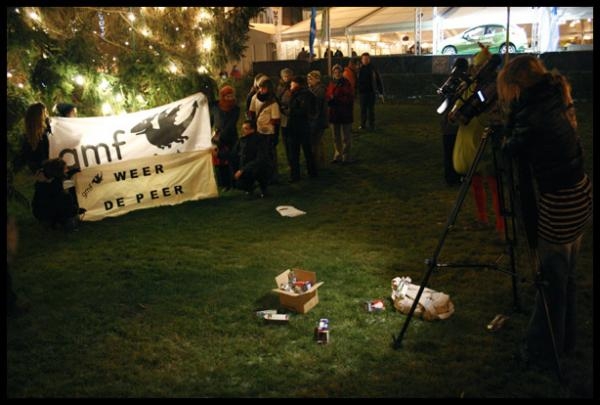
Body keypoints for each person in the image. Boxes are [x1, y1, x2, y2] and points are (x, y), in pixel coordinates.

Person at [497, 55, 593, 369]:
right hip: (579, 192)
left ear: (518, 84)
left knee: (550, 280)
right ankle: (565, 340)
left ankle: (541, 350)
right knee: (566, 276)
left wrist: (506, 126)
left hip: (559, 202)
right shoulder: (555, 94)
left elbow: (511, 148)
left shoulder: (533, 112)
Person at [449, 45, 504, 239]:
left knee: (494, 184)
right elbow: (461, 106)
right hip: (470, 140)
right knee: (476, 181)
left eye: (479, 66)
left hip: (487, 141)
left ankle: (501, 223)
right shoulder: (472, 85)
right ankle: (482, 217)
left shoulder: (496, 87)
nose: (475, 70)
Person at [32, 157, 81, 232]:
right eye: (65, 168)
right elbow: (70, 202)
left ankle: (50, 223)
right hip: (56, 214)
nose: (67, 170)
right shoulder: (64, 183)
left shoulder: (41, 183)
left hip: (43, 215)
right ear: (59, 172)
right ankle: (60, 223)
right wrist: (75, 210)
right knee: (67, 202)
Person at [248, 77, 281, 183]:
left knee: (270, 155)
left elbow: (276, 120)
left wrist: (272, 130)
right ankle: (262, 175)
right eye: (260, 88)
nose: (261, 90)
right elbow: (251, 113)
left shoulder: (273, 102)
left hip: (269, 133)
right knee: (259, 155)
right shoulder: (255, 98)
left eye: (264, 88)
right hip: (258, 131)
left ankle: (272, 176)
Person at [287, 75, 317, 182]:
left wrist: (291, 111)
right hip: (296, 126)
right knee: (297, 152)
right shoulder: (296, 94)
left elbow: (305, 110)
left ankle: (309, 172)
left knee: (304, 151)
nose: (290, 85)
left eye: (292, 83)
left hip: (301, 126)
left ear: (297, 84)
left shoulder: (305, 95)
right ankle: (297, 174)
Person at [210, 85, 240, 192]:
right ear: (222, 96)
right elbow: (211, 121)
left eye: (231, 96)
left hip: (231, 137)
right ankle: (225, 184)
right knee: (221, 162)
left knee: (234, 159)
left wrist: (221, 136)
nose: (230, 98)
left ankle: (236, 183)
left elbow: (231, 124)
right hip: (217, 137)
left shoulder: (236, 108)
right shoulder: (215, 107)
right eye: (227, 96)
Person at [230, 120, 271, 199]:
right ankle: (249, 187)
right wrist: (218, 152)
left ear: (252, 130)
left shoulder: (260, 140)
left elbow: (260, 159)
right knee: (239, 184)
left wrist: (242, 170)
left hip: (258, 167)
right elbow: (232, 154)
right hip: (246, 168)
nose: (243, 131)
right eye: (242, 128)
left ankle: (263, 188)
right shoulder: (241, 140)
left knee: (260, 170)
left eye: (246, 128)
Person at [325, 64, 354, 164]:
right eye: (335, 72)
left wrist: (336, 99)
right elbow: (328, 94)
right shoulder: (331, 83)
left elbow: (349, 97)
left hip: (344, 113)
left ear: (341, 73)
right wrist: (329, 98)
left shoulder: (346, 83)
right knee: (335, 137)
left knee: (345, 137)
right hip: (334, 113)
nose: (337, 74)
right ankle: (338, 155)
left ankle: (346, 156)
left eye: (338, 72)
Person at [21, 102, 51, 175]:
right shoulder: (41, 136)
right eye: (45, 113)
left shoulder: (27, 136)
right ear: (40, 117)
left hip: (41, 173)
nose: (47, 115)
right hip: (44, 173)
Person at [357, 52, 383, 131]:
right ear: (362, 60)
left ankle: (371, 125)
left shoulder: (373, 69)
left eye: (367, 59)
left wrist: (380, 91)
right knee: (363, 110)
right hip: (362, 92)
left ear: (369, 59)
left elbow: (378, 80)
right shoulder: (359, 69)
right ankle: (363, 124)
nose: (365, 60)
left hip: (371, 92)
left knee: (371, 110)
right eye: (364, 59)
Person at [307, 70, 328, 169]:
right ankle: (320, 161)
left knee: (316, 142)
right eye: (308, 78)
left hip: (318, 120)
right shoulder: (313, 89)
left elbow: (317, 107)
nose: (309, 80)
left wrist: (313, 119)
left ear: (317, 79)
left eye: (311, 79)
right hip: (316, 120)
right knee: (317, 142)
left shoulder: (319, 90)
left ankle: (317, 162)